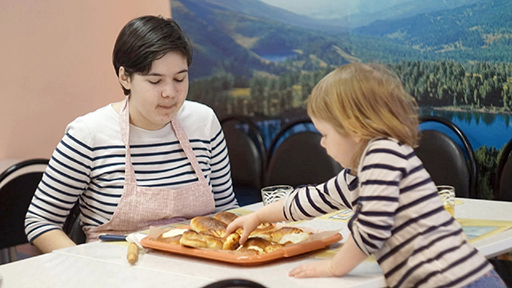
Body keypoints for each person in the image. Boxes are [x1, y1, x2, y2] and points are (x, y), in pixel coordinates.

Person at [226, 63, 506, 287]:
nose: (321, 143)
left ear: (355, 128)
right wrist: (259, 216)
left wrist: (335, 268)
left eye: (325, 134)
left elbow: (371, 230)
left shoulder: (382, 156)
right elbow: (310, 199)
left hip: (457, 280)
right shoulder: (358, 173)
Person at [25, 15, 238, 253]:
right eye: (155, 81)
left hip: (200, 268)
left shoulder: (204, 122)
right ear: (125, 77)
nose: (170, 92)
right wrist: (80, 264)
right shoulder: (89, 135)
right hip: (115, 272)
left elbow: (226, 209)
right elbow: (40, 221)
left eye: (180, 78)